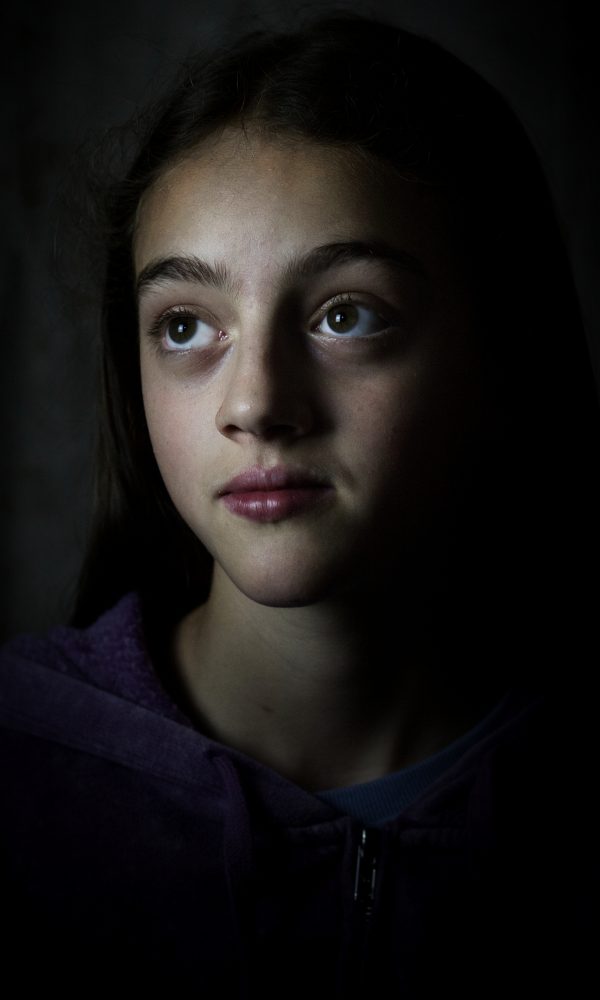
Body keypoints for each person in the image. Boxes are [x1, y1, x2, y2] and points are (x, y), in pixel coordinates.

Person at [1, 11, 598, 995]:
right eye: (187, 325)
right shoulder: (24, 769)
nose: (258, 405)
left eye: (345, 314)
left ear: (498, 352)